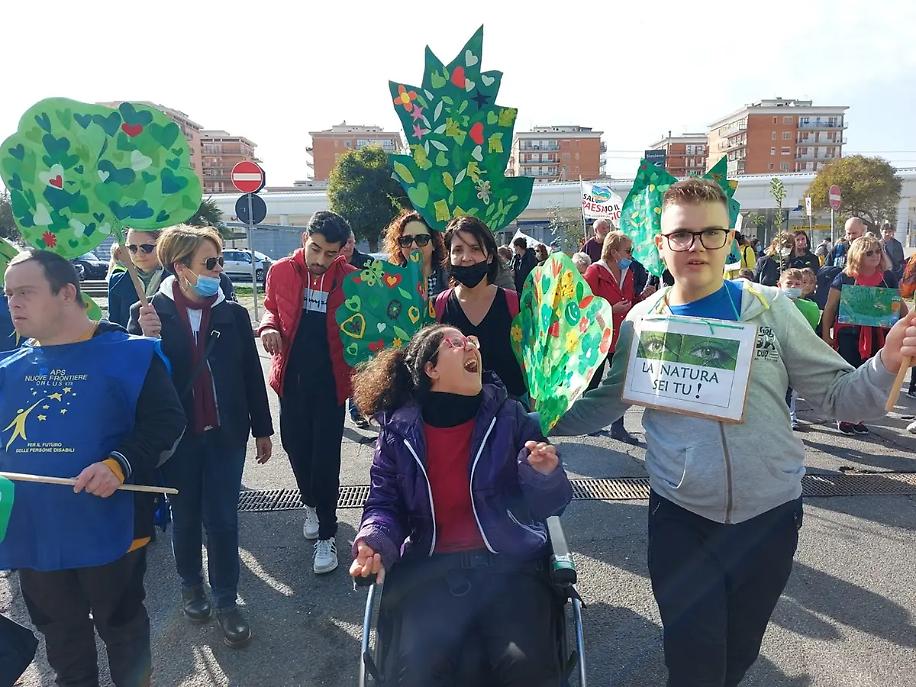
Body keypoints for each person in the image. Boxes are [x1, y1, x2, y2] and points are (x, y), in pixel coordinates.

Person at [550, 177, 916, 687]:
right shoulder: (642, 320)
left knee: (737, 657)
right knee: (693, 664)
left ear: (729, 239)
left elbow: (837, 396)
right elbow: (607, 401)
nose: (695, 247)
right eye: (681, 235)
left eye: (710, 234)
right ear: (661, 243)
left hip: (768, 517)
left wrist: (885, 363)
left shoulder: (769, 309)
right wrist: (534, 418)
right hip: (680, 518)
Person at [349, 324, 572, 686]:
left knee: (526, 669)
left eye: (472, 341)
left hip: (510, 568)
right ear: (431, 369)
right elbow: (384, 503)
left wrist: (545, 475)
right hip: (431, 571)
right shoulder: (398, 433)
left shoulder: (511, 418)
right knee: (417, 674)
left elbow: (551, 507)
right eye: (455, 343)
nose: (470, 347)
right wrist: (373, 542)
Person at [1, 249, 185, 687]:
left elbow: (166, 422)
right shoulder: (8, 369)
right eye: (8, 294)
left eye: (25, 292)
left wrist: (119, 465)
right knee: (62, 639)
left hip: (111, 527)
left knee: (123, 629)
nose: (13, 303)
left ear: (67, 293)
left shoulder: (131, 355)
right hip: (36, 532)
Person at [128, 226, 274, 647]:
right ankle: (191, 586)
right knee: (185, 516)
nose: (219, 270)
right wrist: (144, 338)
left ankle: (227, 600)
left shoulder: (233, 314)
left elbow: (250, 374)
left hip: (226, 435)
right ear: (181, 268)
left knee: (223, 520)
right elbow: (134, 379)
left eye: (220, 261)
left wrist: (263, 429)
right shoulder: (149, 312)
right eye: (210, 263)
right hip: (178, 438)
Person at [259, 211, 356, 574]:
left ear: (341, 251)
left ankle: (327, 533)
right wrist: (268, 327)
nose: (320, 259)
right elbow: (271, 309)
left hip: (332, 382)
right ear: (304, 239)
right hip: (291, 379)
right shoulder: (280, 271)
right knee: (295, 447)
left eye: (330, 253)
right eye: (315, 249)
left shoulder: (351, 279)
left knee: (326, 457)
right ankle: (311, 504)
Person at [821, 235, 908, 435]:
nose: (875, 256)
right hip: (849, 333)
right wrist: (826, 334)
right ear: (858, 255)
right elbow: (830, 307)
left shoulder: (887, 277)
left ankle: (858, 417)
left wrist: (909, 323)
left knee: (871, 376)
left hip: (879, 334)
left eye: (878, 251)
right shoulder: (844, 277)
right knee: (849, 374)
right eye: (869, 253)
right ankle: (844, 416)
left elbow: (898, 304)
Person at [434, 216, 527, 403]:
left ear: (490, 256)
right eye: (458, 250)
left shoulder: (515, 304)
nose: (466, 257)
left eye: (475, 249)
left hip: (513, 412)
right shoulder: (437, 307)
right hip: (456, 412)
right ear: (449, 257)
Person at [583, 231, 650, 444]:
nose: (631, 255)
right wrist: (610, 310)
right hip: (598, 336)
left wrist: (642, 297)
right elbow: (584, 305)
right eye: (628, 251)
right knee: (593, 383)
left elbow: (629, 300)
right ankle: (588, 422)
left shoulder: (628, 271)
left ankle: (618, 427)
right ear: (614, 252)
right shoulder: (594, 271)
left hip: (622, 335)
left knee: (621, 384)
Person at [109, 228, 235, 327]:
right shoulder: (118, 282)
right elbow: (116, 329)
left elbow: (229, 323)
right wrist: (147, 337)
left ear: (161, 246)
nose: (138, 253)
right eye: (132, 248)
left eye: (146, 248)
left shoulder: (211, 279)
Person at [779, 268, 821, 430]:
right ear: (779, 285)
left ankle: (790, 416)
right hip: (776, 351)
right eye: (789, 283)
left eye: (797, 284)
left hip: (796, 352)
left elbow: (810, 329)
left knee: (791, 388)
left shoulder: (810, 307)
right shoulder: (772, 304)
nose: (793, 287)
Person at [384, 210, 449, 299]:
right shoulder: (388, 283)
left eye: (421, 239)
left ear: (434, 244)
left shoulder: (452, 280)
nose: (414, 246)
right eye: (406, 240)